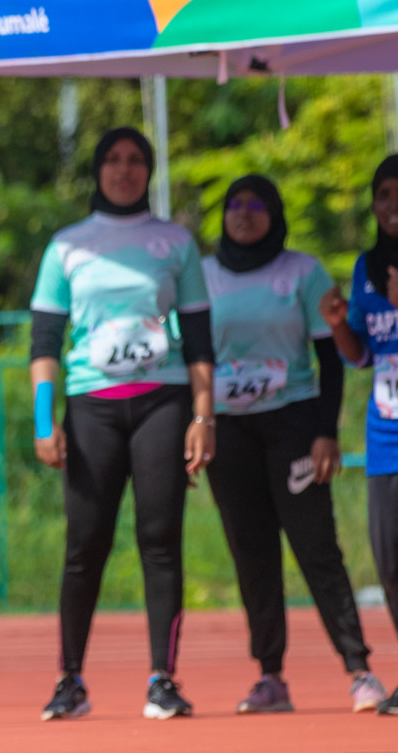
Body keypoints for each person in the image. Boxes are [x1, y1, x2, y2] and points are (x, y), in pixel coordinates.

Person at [28, 127, 215, 722]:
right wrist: (43, 419)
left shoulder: (175, 242)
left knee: (160, 541)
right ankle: (69, 681)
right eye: (113, 159)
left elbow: (202, 341)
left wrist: (204, 416)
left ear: (150, 170)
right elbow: (45, 342)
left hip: (163, 403)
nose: (125, 169)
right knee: (85, 546)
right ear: (98, 169)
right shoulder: (67, 246)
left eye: (137, 160)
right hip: (91, 407)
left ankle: (163, 679)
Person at [202, 173, 386, 714]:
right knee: (251, 553)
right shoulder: (205, 276)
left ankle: (359, 670)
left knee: (315, 546)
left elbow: (330, 356)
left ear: (274, 213)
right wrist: (197, 423)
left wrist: (326, 431)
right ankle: (271, 676)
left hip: (293, 424)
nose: (244, 212)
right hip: (229, 428)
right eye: (234, 204)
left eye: (256, 204)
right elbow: (192, 358)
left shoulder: (302, 272)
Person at [320, 154, 398, 715]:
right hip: (385, 436)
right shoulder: (366, 266)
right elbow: (363, 357)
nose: (393, 205)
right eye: (385, 194)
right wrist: (338, 325)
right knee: (390, 562)